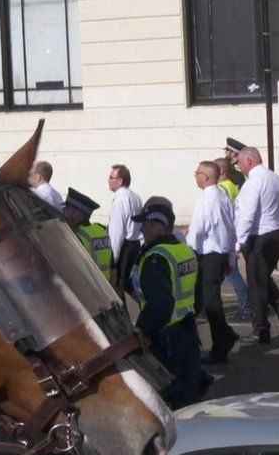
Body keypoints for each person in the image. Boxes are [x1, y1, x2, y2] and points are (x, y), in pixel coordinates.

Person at [132, 202, 202, 409]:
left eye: (145, 224)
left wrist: (143, 332)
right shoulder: (184, 250)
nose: (141, 229)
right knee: (188, 387)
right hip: (187, 330)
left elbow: (160, 304)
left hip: (166, 337)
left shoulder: (156, 257)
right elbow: (199, 293)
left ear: (159, 227)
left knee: (169, 395)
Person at [234, 146, 279, 344]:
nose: (239, 167)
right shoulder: (275, 178)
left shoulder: (253, 183)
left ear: (249, 161)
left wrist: (238, 243)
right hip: (276, 233)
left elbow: (247, 216)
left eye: (240, 163)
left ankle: (261, 330)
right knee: (264, 279)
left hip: (260, 237)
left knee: (257, 285)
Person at [187, 161, 239, 364]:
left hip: (208, 256)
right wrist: (230, 257)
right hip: (220, 255)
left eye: (197, 172)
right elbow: (231, 229)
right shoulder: (223, 197)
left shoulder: (205, 200)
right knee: (205, 301)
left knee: (210, 304)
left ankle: (220, 346)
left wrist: (188, 250)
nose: (195, 176)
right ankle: (224, 336)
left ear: (205, 177)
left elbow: (198, 230)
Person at [216, 157, 253, 319]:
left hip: (224, 237)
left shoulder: (221, 189)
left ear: (222, 171)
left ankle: (247, 307)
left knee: (231, 274)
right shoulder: (232, 186)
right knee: (228, 273)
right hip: (232, 234)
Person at [108, 164, 143, 299]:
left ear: (120, 181)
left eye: (111, 177)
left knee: (118, 285)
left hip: (124, 247)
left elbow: (117, 232)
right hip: (135, 245)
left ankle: (124, 317)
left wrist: (113, 260)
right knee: (128, 284)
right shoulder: (135, 197)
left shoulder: (120, 200)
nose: (109, 180)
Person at [63, 188, 112, 282]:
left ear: (78, 213)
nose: (64, 210)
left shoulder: (77, 236)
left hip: (88, 290)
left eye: (67, 207)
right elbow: (113, 269)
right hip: (105, 290)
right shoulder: (101, 231)